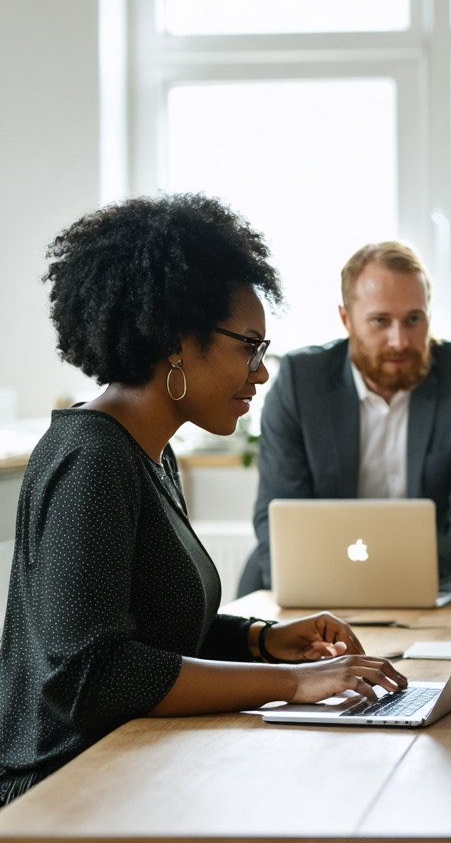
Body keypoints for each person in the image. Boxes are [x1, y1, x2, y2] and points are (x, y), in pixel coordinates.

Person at [0, 194, 406, 806]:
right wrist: (294, 683)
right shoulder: (92, 458)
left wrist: (263, 641)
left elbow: (154, 630)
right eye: (249, 346)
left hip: (134, 765)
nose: (261, 372)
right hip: (64, 791)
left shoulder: (148, 450)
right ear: (175, 339)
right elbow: (92, 673)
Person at [238, 241, 451, 597]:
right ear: (346, 319)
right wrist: (340, 587)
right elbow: (279, 514)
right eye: (380, 321)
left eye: (414, 319)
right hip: (318, 585)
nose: (399, 341)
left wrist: (386, 586)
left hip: (435, 584)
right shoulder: (302, 381)